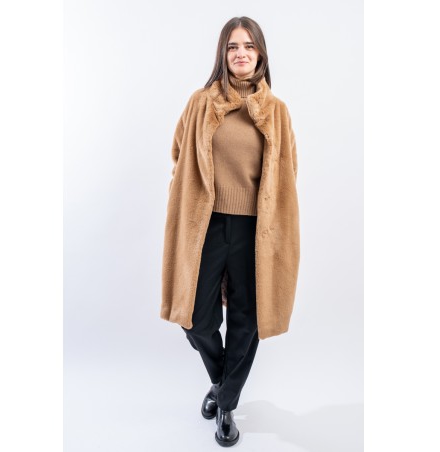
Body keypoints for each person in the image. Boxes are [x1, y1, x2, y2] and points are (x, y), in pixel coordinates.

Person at [160, 16, 300, 447]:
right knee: (195, 318)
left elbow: (288, 170)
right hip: (204, 224)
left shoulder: (276, 111)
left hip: (256, 229)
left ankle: (225, 404)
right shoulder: (201, 102)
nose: (241, 53)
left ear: (260, 55)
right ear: (223, 53)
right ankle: (225, 384)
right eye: (233, 46)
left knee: (248, 319)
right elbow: (179, 151)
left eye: (249, 46)